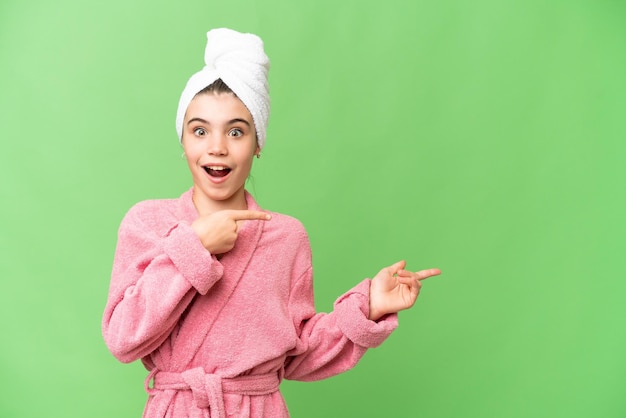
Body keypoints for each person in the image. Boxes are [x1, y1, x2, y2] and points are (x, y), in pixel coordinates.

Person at [102, 28, 441, 418]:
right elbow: (123, 340)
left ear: (258, 143)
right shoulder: (147, 223)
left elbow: (296, 353)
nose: (217, 146)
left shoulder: (286, 237)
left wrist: (368, 309)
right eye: (200, 130)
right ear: (183, 142)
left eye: (236, 131)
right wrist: (191, 249)